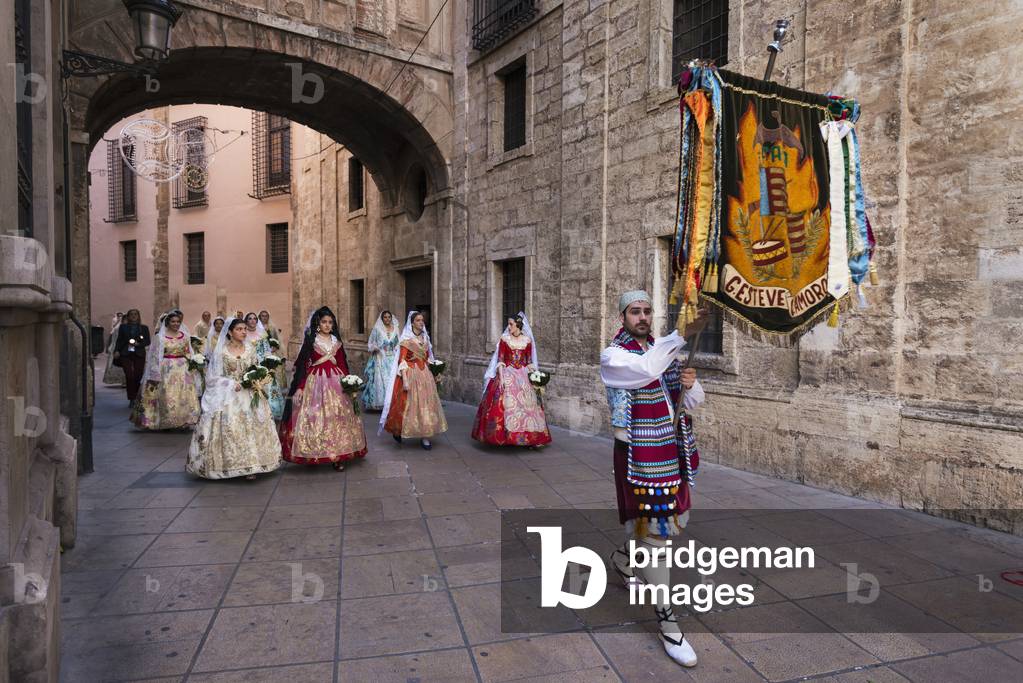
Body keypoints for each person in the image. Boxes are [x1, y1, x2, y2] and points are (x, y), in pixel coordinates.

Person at [599, 290, 709, 668]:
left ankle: (624, 559)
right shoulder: (615, 355)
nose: (643, 317)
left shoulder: (666, 354)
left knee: (653, 528)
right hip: (638, 458)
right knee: (656, 534)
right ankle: (668, 622)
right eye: (635, 311)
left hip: (670, 451)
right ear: (623, 316)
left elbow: (693, 403)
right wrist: (681, 332)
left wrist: (691, 383)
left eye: (647, 311)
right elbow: (645, 369)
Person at [186, 318, 282, 480]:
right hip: (228, 396)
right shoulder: (221, 352)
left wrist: (255, 379)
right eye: (239, 329)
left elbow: (257, 368)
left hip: (249, 393)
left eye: (245, 329)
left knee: (253, 427)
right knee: (231, 427)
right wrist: (230, 384)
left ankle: (252, 465)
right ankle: (231, 465)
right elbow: (212, 377)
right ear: (230, 332)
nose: (243, 332)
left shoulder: (250, 349)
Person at [279, 307, 367, 471]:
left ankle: (338, 455)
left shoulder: (337, 342)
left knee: (338, 418)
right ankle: (314, 453)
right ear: (318, 324)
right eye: (324, 322)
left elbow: (342, 364)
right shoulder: (311, 341)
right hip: (315, 383)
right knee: (314, 418)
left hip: (337, 382)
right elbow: (304, 367)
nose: (327, 325)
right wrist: (300, 388)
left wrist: (350, 384)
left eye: (330, 322)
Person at [471, 313, 551, 447]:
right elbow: (501, 360)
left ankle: (532, 438)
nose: (508, 327)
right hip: (507, 373)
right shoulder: (505, 339)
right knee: (504, 404)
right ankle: (503, 437)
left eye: (511, 324)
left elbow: (529, 361)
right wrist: (501, 379)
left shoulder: (527, 340)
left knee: (529, 407)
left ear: (518, 325)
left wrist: (536, 377)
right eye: (508, 324)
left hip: (523, 375)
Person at [380, 311, 447, 450]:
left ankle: (425, 435)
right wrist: (405, 380)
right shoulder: (406, 340)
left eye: (422, 320)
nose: (421, 322)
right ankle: (398, 430)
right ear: (412, 323)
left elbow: (428, 357)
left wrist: (435, 372)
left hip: (425, 374)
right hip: (410, 373)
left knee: (426, 404)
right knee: (406, 405)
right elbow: (402, 360)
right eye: (418, 320)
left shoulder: (425, 338)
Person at [131, 309, 202, 430]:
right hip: (166, 369)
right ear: (167, 323)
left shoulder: (184, 336)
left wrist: (193, 365)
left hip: (183, 369)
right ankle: (168, 420)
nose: (176, 324)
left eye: (178, 321)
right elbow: (154, 355)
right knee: (168, 395)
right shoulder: (160, 337)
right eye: (173, 321)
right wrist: (155, 372)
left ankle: (183, 420)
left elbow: (188, 352)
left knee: (184, 395)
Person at [243, 311, 284, 421]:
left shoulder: (262, 333)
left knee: (268, 386)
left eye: (254, 318)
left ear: (257, 321)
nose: (252, 320)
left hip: (262, 364)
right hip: (249, 364)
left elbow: (266, 349)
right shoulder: (243, 334)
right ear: (246, 321)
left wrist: (267, 362)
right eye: (250, 318)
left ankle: (271, 412)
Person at [361, 310, 399, 411]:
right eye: (385, 317)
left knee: (392, 380)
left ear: (391, 318)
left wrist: (396, 351)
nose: (387, 319)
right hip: (380, 358)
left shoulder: (395, 329)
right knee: (381, 380)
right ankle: (381, 403)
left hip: (392, 358)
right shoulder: (377, 329)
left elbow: (398, 343)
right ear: (382, 319)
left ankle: (392, 403)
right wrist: (375, 348)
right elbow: (371, 343)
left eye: (389, 317)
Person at [113, 309, 151, 403]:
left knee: (138, 375)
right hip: (126, 353)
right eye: (131, 314)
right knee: (129, 376)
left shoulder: (144, 328)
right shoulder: (123, 327)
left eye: (135, 314)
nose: (134, 316)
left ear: (138, 316)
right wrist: (116, 350)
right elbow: (119, 340)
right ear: (128, 316)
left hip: (139, 353)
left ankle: (137, 396)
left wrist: (139, 344)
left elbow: (148, 341)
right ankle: (131, 398)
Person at [102, 312, 126, 386]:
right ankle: (123, 381)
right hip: (118, 348)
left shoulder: (122, 327)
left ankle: (124, 381)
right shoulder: (119, 327)